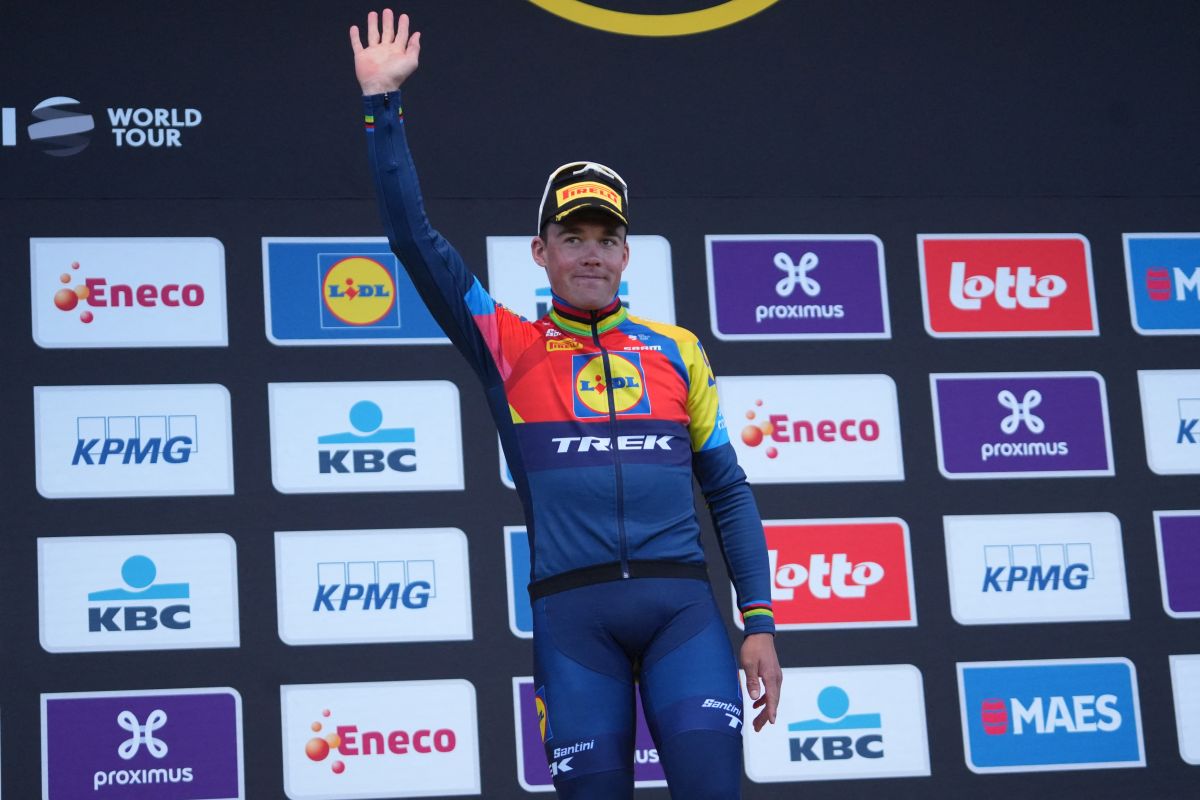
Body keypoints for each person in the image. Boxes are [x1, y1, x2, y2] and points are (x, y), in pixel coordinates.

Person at [350, 10, 782, 798]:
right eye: (572, 236)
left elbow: (727, 489)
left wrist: (759, 623)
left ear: (626, 253)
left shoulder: (677, 350)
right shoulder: (509, 345)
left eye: (606, 238)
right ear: (540, 251)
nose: (591, 253)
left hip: (684, 618)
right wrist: (383, 105)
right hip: (574, 624)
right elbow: (415, 241)